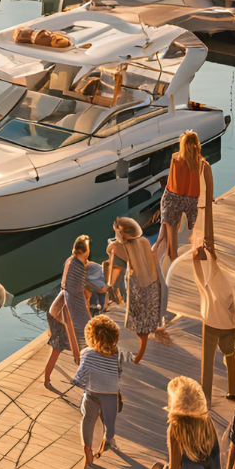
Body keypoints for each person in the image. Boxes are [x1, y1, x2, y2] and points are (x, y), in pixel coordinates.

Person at [107, 217, 165, 363]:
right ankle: (140, 351)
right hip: (152, 287)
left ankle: (137, 357)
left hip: (138, 289)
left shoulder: (118, 247)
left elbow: (112, 269)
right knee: (143, 324)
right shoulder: (144, 241)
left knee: (138, 327)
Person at [73, 315, 123, 468]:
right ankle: (107, 441)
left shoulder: (87, 354)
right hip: (110, 394)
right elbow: (119, 373)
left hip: (92, 393)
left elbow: (79, 377)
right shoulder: (118, 355)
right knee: (109, 421)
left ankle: (87, 451)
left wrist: (79, 382)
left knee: (88, 420)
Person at [192, 241, 235, 404]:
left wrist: (196, 259)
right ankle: (232, 391)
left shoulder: (208, 287)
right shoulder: (228, 287)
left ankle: (206, 397)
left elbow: (199, 276)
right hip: (229, 326)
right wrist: (210, 254)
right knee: (230, 357)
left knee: (207, 362)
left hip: (210, 324)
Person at [157, 131, 213, 262]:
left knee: (171, 230)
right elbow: (207, 194)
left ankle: (173, 258)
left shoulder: (175, 159)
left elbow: (171, 185)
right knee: (194, 232)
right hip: (191, 200)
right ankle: (195, 254)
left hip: (172, 197)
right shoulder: (203, 165)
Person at [60, 235, 93, 357]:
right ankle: (86, 355)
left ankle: (82, 354)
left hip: (70, 298)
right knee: (84, 326)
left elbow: (64, 284)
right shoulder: (78, 266)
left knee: (81, 326)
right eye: (88, 248)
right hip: (76, 301)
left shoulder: (71, 260)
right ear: (83, 251)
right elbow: (80, 288)